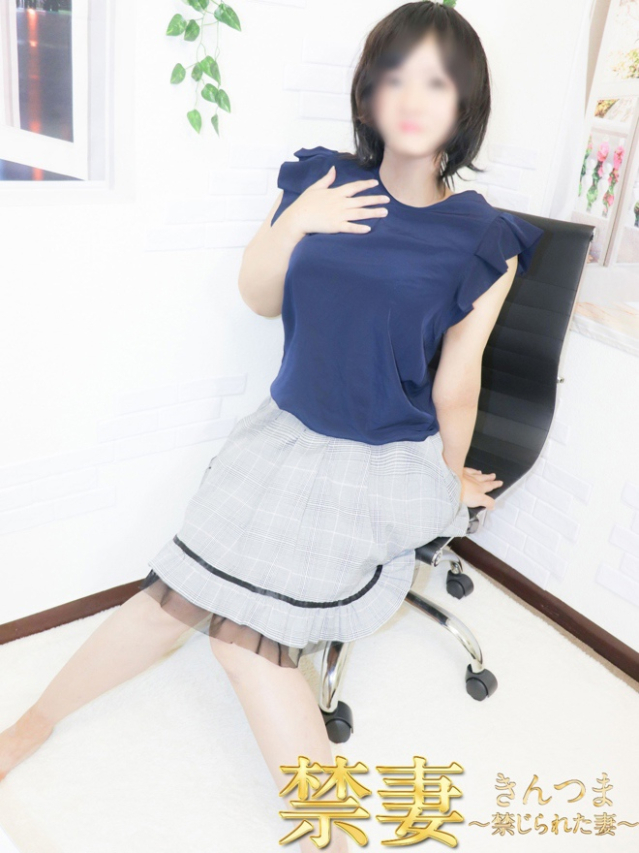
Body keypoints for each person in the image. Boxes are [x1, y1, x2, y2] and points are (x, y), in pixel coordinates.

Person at [0, 3, 544, 851]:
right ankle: (32, 721)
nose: (411, 98)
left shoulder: (481, 238)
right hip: (284, 437)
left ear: (464, 102)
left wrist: (449, 477)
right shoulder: (322, 181)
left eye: (435, 81)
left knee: (243, 643)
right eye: (394, 76)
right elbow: (257, 295)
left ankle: (327, 830)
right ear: (367, 92)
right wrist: (297, 224)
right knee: (171, 597)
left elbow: (458, 379)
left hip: (379, 459)